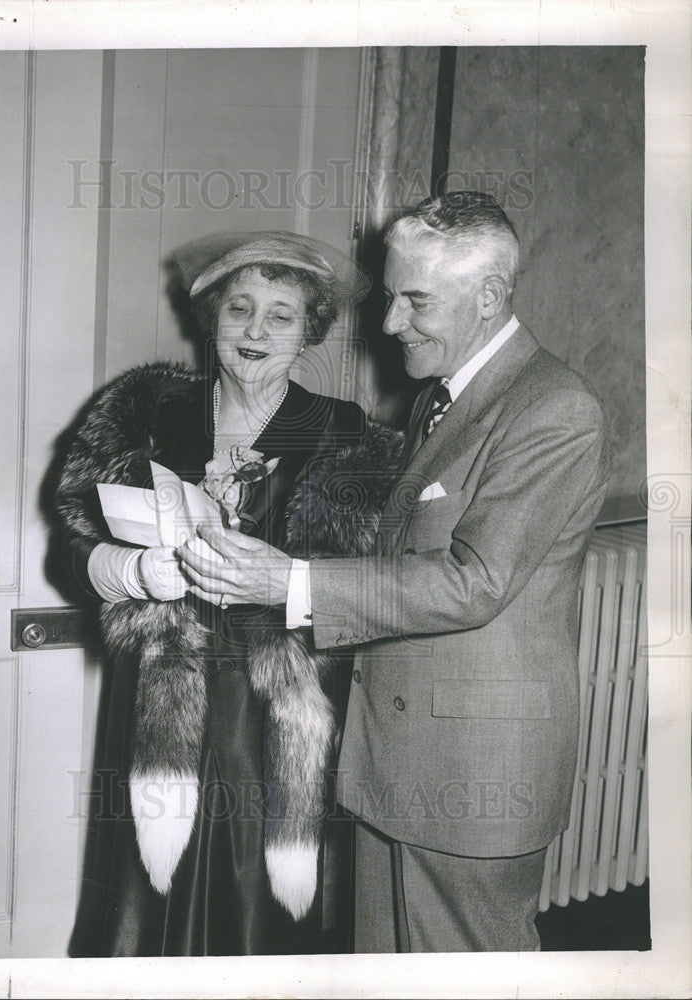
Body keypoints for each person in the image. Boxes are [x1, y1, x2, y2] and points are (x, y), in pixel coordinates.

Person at [177, 192, 611, 952]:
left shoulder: (551, 407)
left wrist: (293, 582)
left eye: (414, 301)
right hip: (394, 762)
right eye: (388, 297)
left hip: (470, 778)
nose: (386, 324)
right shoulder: (443, 397)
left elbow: (472, 580)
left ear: (487, 298)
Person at [47, 230, 401, 956]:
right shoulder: (145, 412)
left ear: (310, 330)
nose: (254, 330)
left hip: (267, 713)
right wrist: (131, 572)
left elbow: (371, 592)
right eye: (238, 309)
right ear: (210, 321)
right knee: (141, 896)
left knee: (249, 907)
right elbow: (69, 548)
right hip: (155, 697)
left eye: (280, 314)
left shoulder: (344, 435)